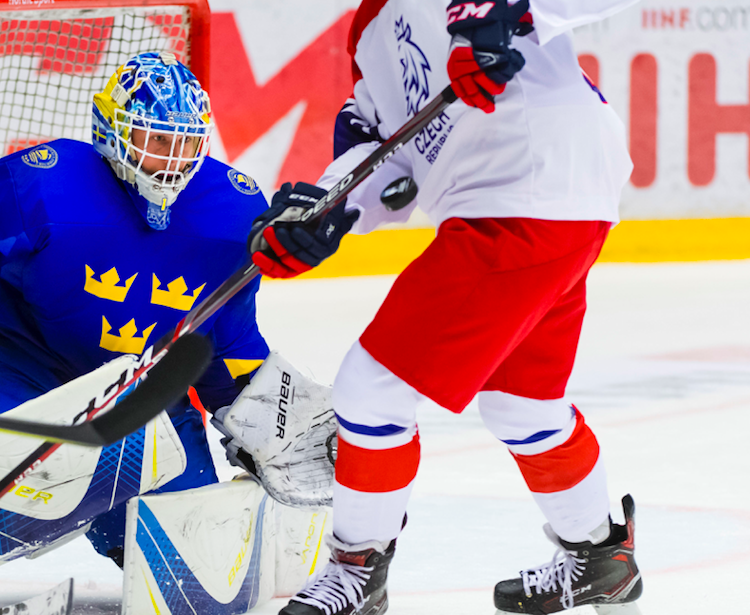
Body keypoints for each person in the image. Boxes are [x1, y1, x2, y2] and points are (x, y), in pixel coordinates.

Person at [247, 1, 642, 614]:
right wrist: (325, 211)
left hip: (526, 188)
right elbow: (388, 160)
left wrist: (504, 9)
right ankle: (602, 559)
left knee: (371, 391)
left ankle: (358, 572)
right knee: (522, 406)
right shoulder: (366, 36)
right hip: (537, 200)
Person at [0, 51, 269, 568]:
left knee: (200, 558)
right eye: (157, 140)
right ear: (114, 129)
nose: (173, 161)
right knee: (21, 494)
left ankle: (118, 524)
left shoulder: (233, 213)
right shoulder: (47, 183)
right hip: (12, 369)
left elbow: (228, 340)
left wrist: (260, 426)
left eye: (186, 143)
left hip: (142, 399)